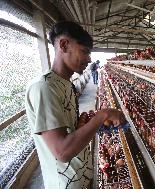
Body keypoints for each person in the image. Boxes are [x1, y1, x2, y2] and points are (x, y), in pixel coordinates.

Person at [25, 21, 125, 189]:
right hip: (64, 184)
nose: (89, 59)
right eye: (84, 51)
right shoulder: (44, 87)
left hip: (80, 176)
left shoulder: (65, 83)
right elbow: (62, 152)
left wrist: (79, 126)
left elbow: (65, 133)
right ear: (64, 45)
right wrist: (103, 115)